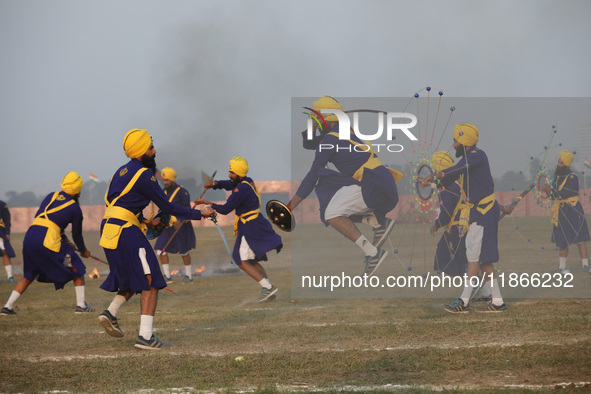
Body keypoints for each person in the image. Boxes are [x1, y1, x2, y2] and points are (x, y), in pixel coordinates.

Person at [97, 128, 215, 350]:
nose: (154, 151)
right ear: (143, 150)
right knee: (152, 281)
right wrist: (201, 214)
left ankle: (110, 313)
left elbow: (118, 204)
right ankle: (145, 337)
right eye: (151, 147)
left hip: (109, 228)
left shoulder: (119, 172)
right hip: (126, 230)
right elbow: (168, 206)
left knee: (135, 278)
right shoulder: (144, 174)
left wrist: (144, 221)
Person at [288, 96, 401, 277]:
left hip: (372, 183)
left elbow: (312, 176)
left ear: (327, 118)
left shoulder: (331, 140)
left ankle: (373, 253)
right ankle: (377, 222)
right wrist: (313, 126)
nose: (313, 121)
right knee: (333, 202)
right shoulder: (344, 132)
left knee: (331, 213)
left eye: (316, 118)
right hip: (381, 182)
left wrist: (290, 206)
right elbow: (309, 144)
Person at [422, 123, 506, 313]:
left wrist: (436, 175)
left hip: (483, 212)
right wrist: (431, 180)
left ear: (463, 141)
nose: (453, 145)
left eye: (455, 141)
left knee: (477, 257)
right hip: (479, 212)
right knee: (480, 259)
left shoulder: (477, 156)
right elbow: (448, 177)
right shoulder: (467, 161)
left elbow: (456, 170)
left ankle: (464, 301)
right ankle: (495, 301)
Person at [0, 172, 94, 316]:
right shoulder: (75, 208)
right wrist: (83, 250)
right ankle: (81, 306)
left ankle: (7, 307)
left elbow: (49, 221)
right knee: (77, 267)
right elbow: (77, 234)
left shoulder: (52, 196)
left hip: (30, 237)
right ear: (77, 190)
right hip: (47, 241)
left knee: (29, 275)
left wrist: (67, 242)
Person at [194, 157, 283, 302]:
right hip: (251, 224)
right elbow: (229, 184)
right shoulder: (246, 181)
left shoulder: (242, 188)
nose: (230, 175)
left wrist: (205, 202)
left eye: (232, 172)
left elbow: (225, 209)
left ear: (240, 173)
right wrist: (215, 184)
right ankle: (267, 288)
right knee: (251, 260)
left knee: (240, 260)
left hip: (250, 226)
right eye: (230, 172)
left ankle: (268, 288)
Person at [541, 150, 590, 274]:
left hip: (573, 209)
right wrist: (546, 191)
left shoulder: (573, 177)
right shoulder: (556, 177)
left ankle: (585, 265)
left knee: (580, 239)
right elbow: (553, 196)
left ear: (567, 163)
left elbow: (564, 194)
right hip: (561, 211)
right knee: (562, 240)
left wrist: (550, 190)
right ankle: (561, 267)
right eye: (558, 162)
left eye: (561, 162)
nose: (559, 164)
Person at [153, 167, 197, 284]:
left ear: (172, 179)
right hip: (167, 227)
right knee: (160, 250)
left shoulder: (183, 192)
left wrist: (180, 219)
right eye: (164, 180)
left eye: (167, 180)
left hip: (181, 226)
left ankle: (189, 276)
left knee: (184, 251)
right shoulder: (162, 192)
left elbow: (187, 209)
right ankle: (167, 276)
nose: (165, 182)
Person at [429, 151, 468, 277]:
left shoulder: (444, 186)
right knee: (463, 263)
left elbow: (446, 212)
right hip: (466, 226)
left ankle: (480, 290)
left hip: (456, 231)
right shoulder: (458, 182)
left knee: (454, 264)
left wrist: (436, 225)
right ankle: (478, 289)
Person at [0, 200, 16, 283]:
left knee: (5, 252)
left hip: (0, 233)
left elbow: (7, 219)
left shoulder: (2, 204)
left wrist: (7, 233)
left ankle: (10, 276)